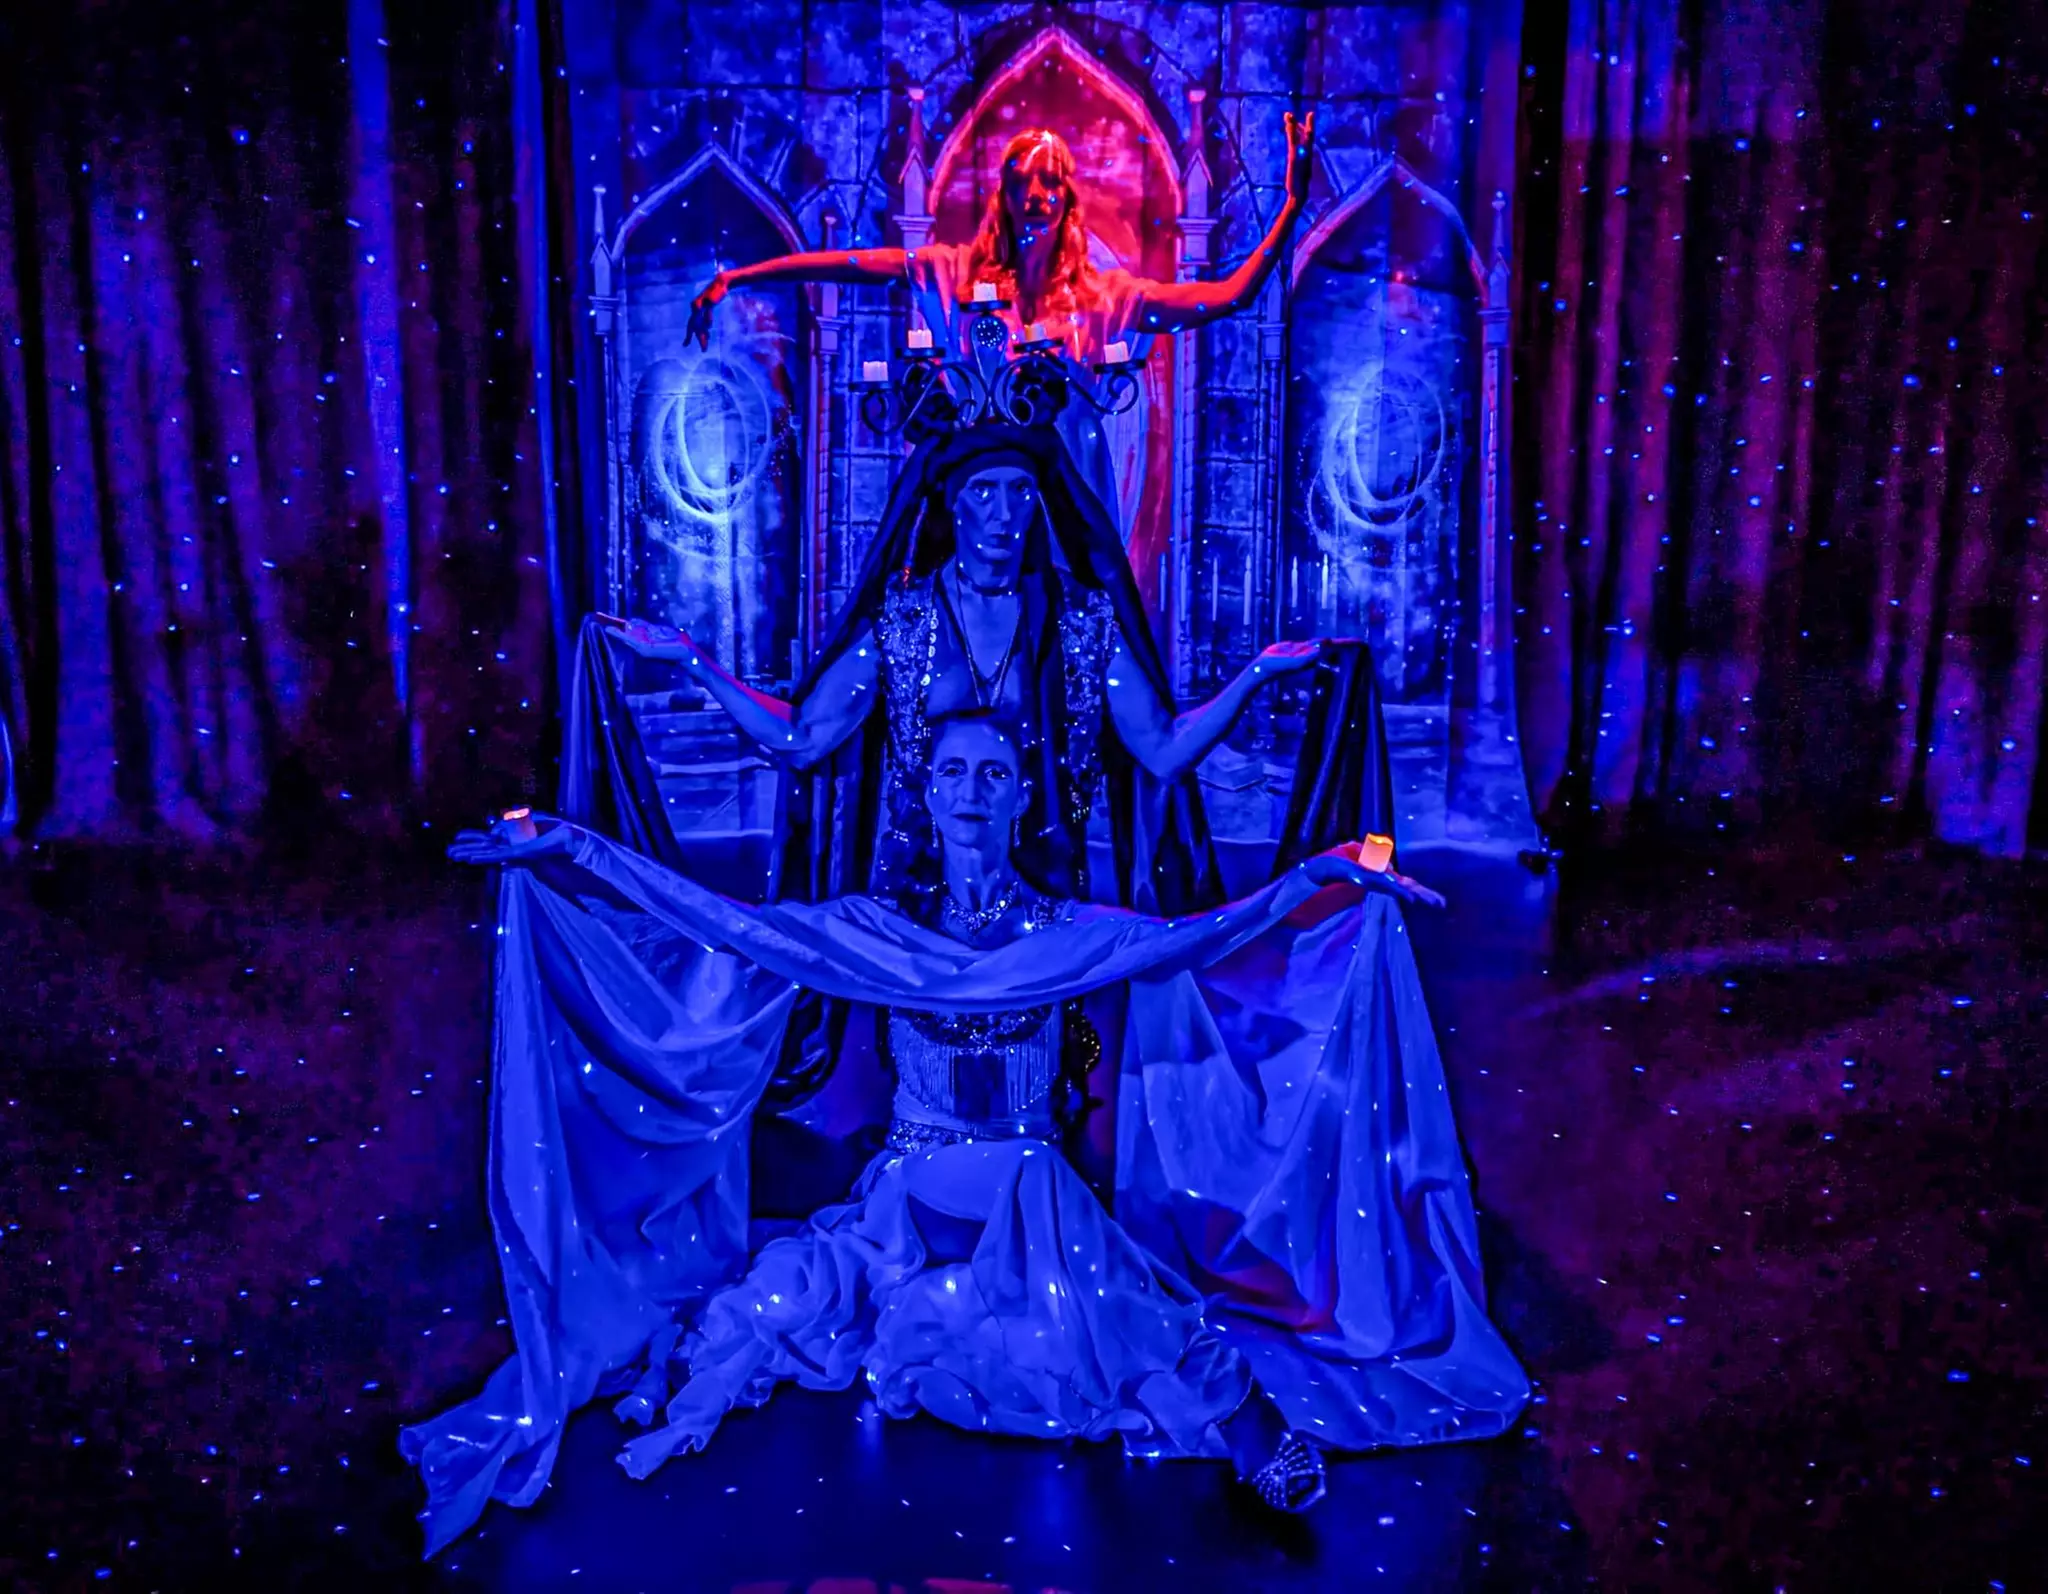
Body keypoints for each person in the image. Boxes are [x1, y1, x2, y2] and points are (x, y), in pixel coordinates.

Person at [402, 711, 1527, 1555]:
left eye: (994, 772)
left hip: (1030, 1215)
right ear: (925, 793)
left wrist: (1321, 879)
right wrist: (571, 851)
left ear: (1022, 793)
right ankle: (1240, 1413)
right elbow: (725, 923)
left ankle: (1225, 1401)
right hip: (912, 1207)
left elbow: (1203, 937)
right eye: (952, 772)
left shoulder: (1068, 931)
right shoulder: (877, 932)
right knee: (1002, 1201)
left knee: (1039, 1178)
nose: (972, 791)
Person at [683, 117, 1317, 537]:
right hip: (982, 488)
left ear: (1068, 199)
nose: (1037, 192)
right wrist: (738, 278)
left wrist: (1291, 205)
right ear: (1004, 196)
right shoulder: (955, 276)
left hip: (1069, 487)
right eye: (1022, 180)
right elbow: (851, 264)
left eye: (1051, 181)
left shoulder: (1106, 299)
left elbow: (1229, 297)